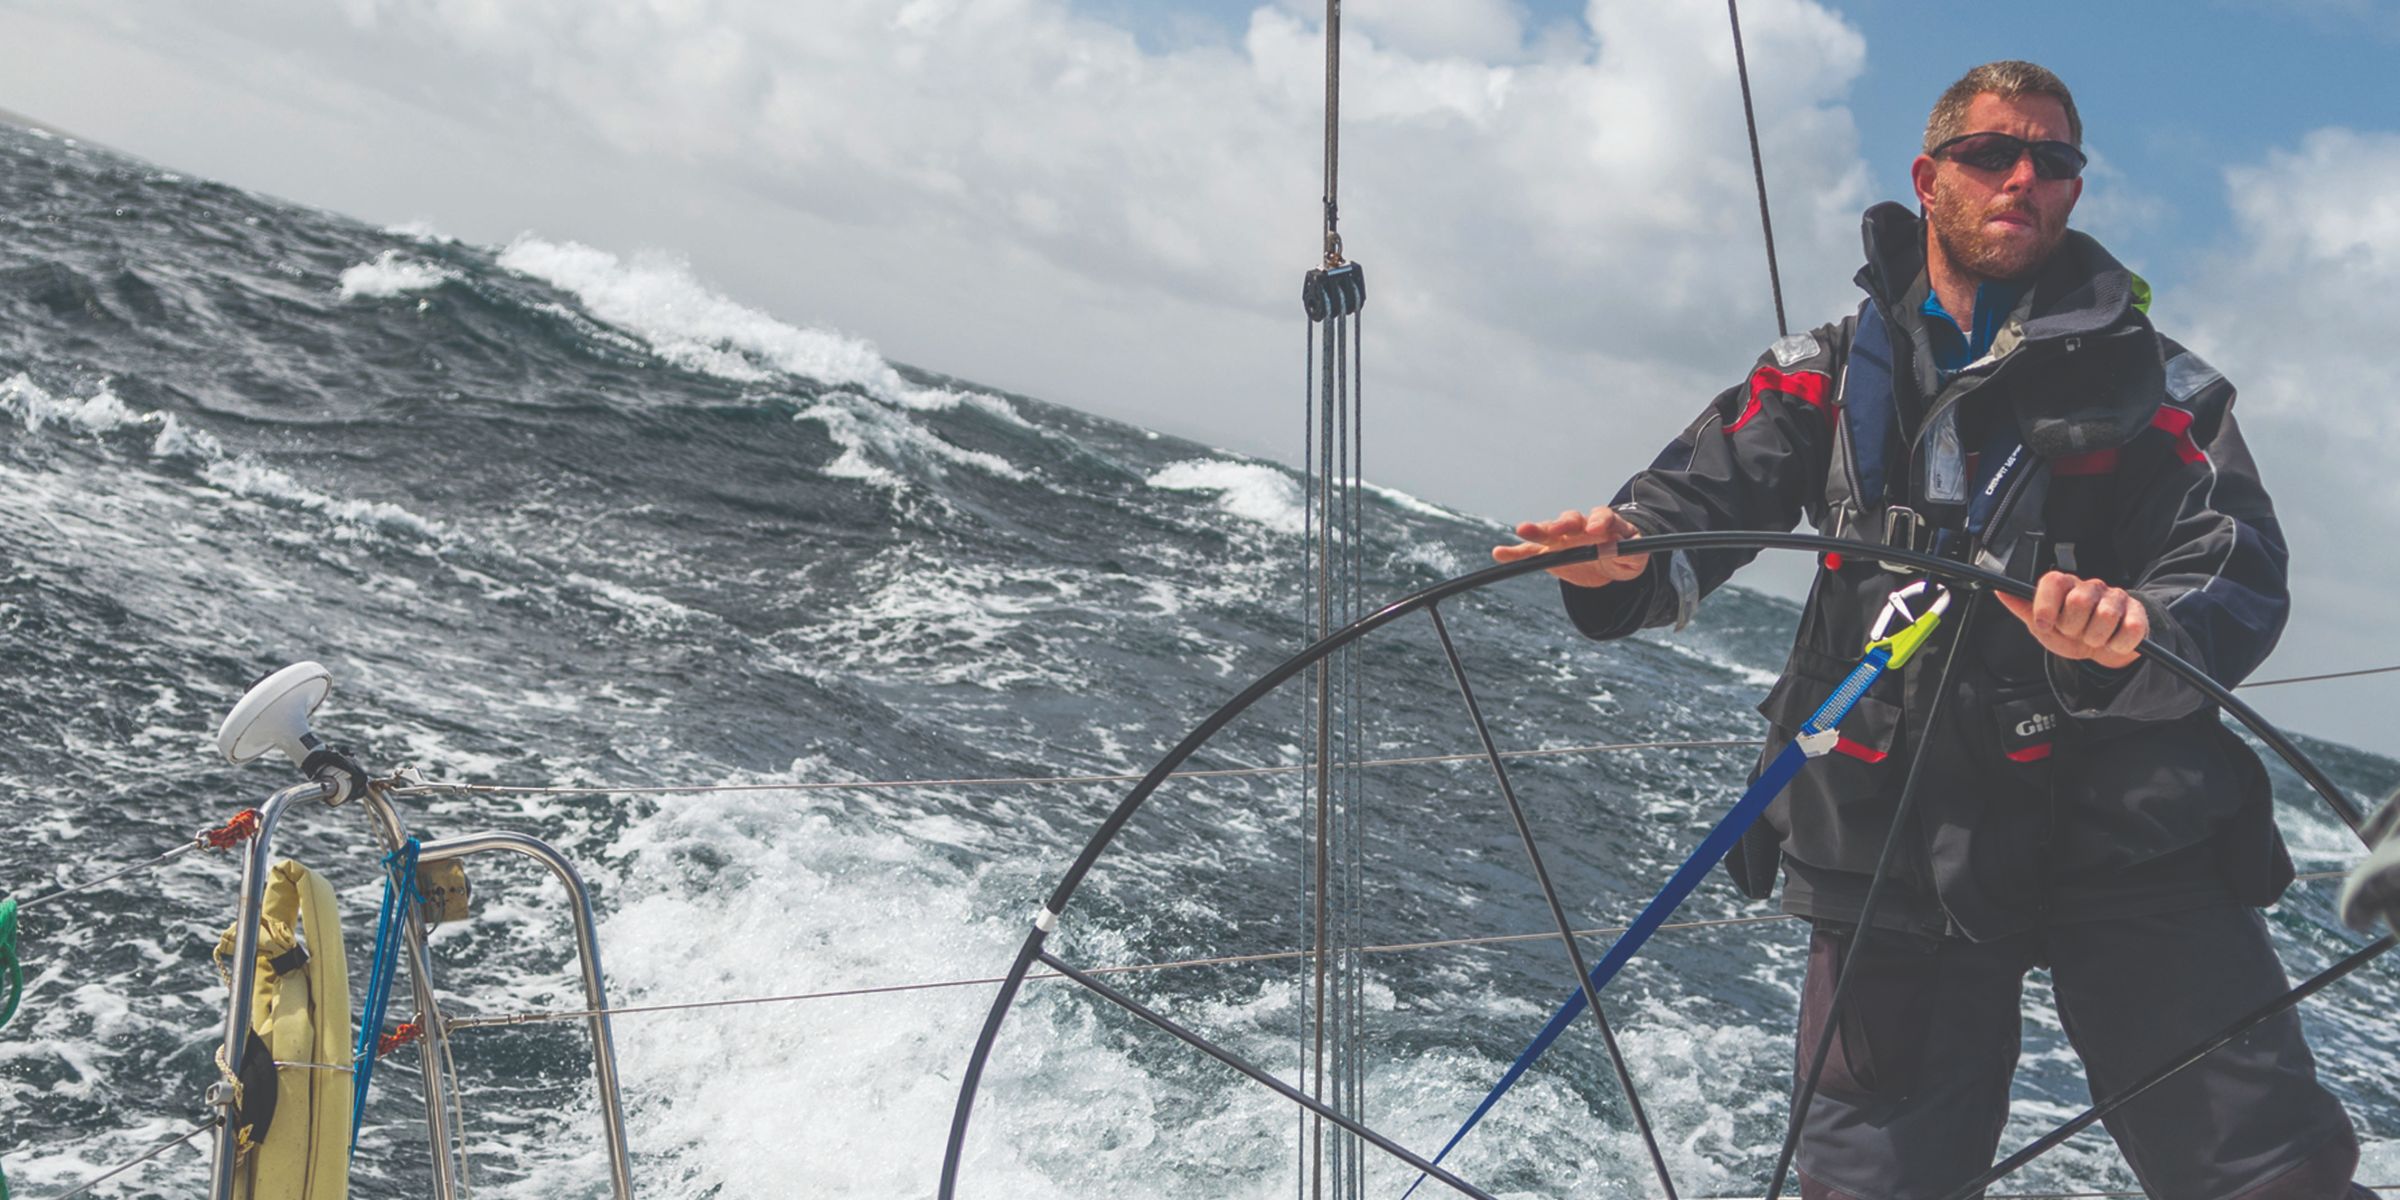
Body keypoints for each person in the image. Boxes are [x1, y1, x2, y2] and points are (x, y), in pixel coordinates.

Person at [1495, 61, 2368, 1199]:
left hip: (2134, 831)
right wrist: (1625, 552)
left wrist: (2139, 626)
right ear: (1929, 177)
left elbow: (2237, 565)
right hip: (1893, 834)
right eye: (1993, 153)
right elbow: (1698, 503)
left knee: (2269, 1183)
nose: (2025, 178)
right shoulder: (1828, 371)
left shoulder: (2169, 391)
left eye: (2055, 162)